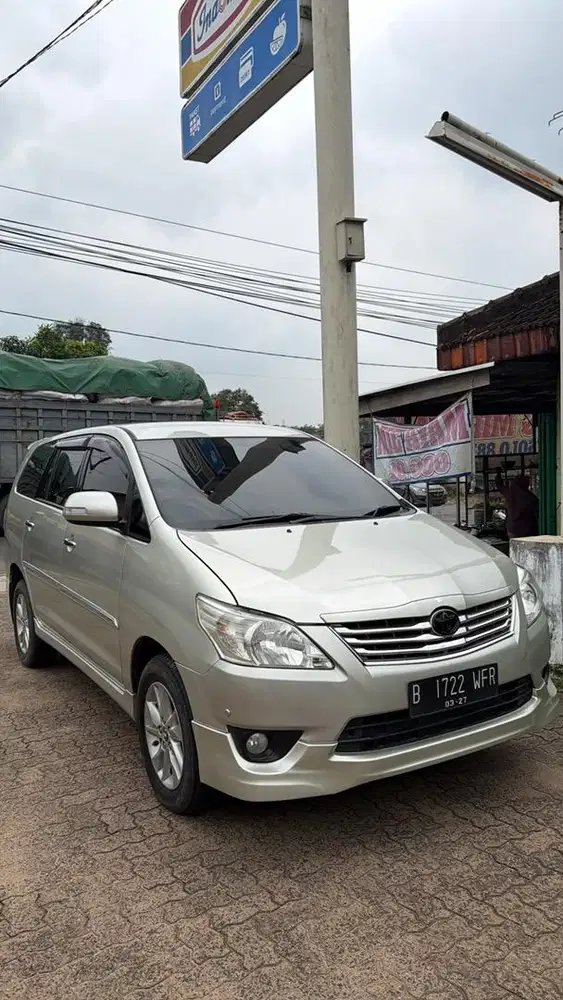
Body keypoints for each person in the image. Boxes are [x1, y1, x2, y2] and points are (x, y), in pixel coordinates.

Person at [494, 468, 538, 539]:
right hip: (528, 530)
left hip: (512, 529)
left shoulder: (510, 493)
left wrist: (498, 474)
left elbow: (499, 486)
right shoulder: (530, 497)